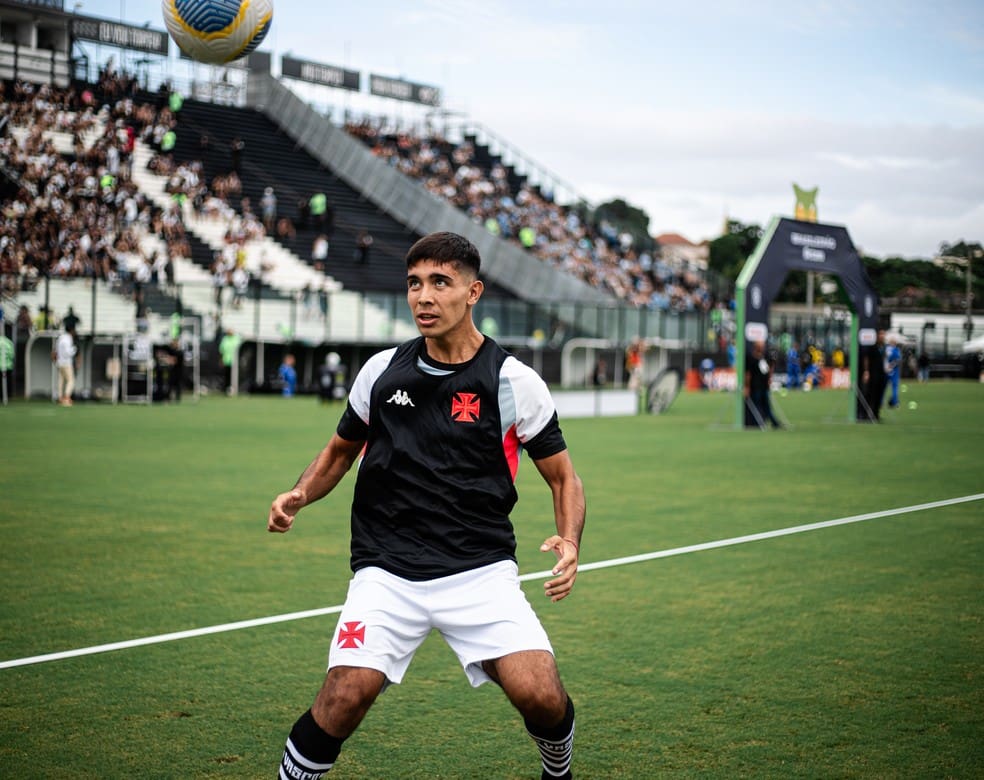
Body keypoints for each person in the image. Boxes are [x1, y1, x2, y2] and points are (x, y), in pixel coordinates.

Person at [267, 231, 585, 780]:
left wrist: (569, 540)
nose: (424, 297)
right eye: (414, 283)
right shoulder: (382, 371)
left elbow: (563, 478)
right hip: (387, 570)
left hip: (480, 569)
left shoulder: (513, 382)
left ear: (473, 291)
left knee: (542, 695)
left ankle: (557, 769)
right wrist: (299, 494)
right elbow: (338, 453)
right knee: (343, 696)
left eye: (441, 282)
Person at [744, 340, 781, 428]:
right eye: (760, 346)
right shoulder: (751, 358)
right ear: (756, 347)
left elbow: (769, 368)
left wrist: (769, 380)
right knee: (756, 406)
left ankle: (774, 423)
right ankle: (758, 423)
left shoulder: (765, 357)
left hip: (764, 386)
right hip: (755, 386)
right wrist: (747, 386)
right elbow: (748, 374)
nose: (762, 348)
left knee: (767, 406)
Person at [858, 329, 887, 422]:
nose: (883, 336)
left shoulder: (883, 347)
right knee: (870, 394)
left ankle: (876, 414)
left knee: (879, 395)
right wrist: (866, 372)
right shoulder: (872, 347)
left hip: (881, 375)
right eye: (881, 334)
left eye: (884, 334)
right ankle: (867, 414)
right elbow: (866, 358)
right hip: (873, 375)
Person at [52, 321, 78, 406]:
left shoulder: (61, 337)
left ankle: (60, 397)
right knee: (71, 380)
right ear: (71, 330)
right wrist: (74, 349)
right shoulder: (68, 338)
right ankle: (66, 398)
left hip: (59, 362)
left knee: (61, 380)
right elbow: (67, 353)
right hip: (66, 363)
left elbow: (55, 350)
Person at [218, 328, 241, 395]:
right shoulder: (225, 339)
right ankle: (227, 390)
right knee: (227, 376)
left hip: (235, 361)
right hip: (226, 361)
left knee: (234, 376)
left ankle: (234, 389)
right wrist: (221, 359)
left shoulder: (237, 338)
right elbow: (221, 349)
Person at [884, 335, 902, 409]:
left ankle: (881, 402)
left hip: (885, 370)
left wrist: (886, 367)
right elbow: (898, 360)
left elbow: (883, 359)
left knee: (883, 387)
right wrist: (891, 367)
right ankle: (895, 402)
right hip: (893, 371)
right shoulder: (896, 350)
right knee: (894, 387)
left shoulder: (885, 349)